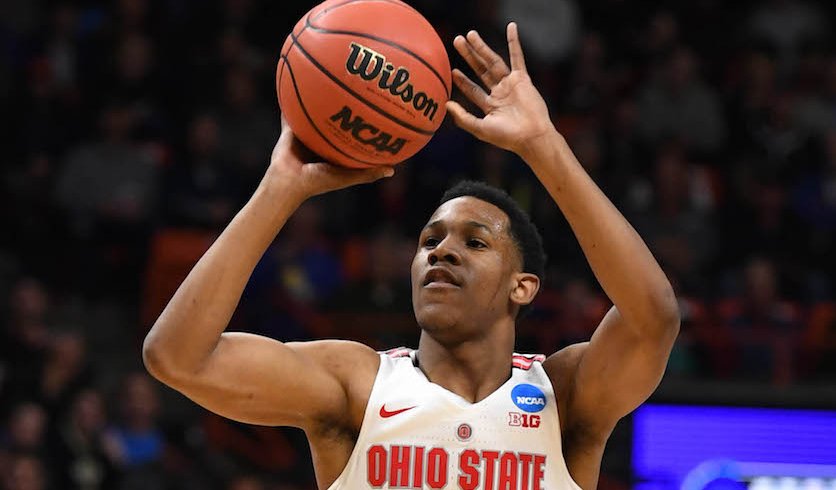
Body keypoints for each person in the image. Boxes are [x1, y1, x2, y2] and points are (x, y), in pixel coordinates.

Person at [143, 24, 679, 489]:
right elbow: (177, 357)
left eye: (475, 241)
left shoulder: (564, 398)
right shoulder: (356, 386)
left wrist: (543, 146)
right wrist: (279, 191)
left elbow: (652, 317)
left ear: (523, 286)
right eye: (429, 241)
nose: (442, 251)